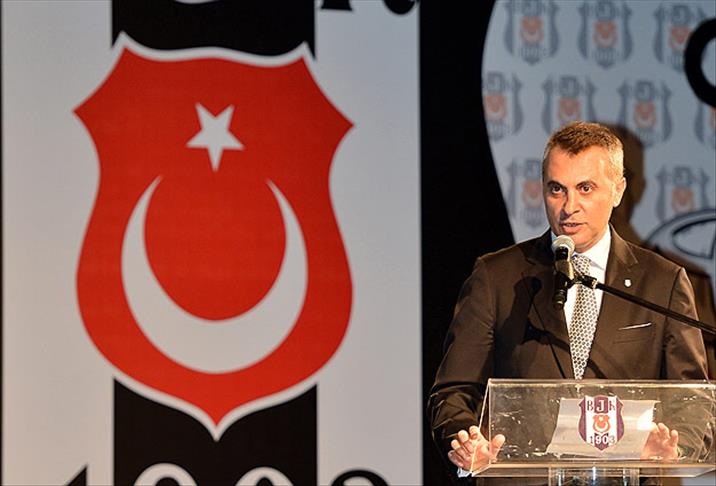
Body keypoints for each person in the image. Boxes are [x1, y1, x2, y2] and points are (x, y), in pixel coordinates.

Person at [427, 121, 709, 477]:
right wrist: (464, 439)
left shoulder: (661, 282)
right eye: (556, 189)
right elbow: (453, 391)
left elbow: (692, 400)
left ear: (618, 190)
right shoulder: (497, 277)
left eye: (585, 188)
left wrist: (676, 446)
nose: (568, 206)